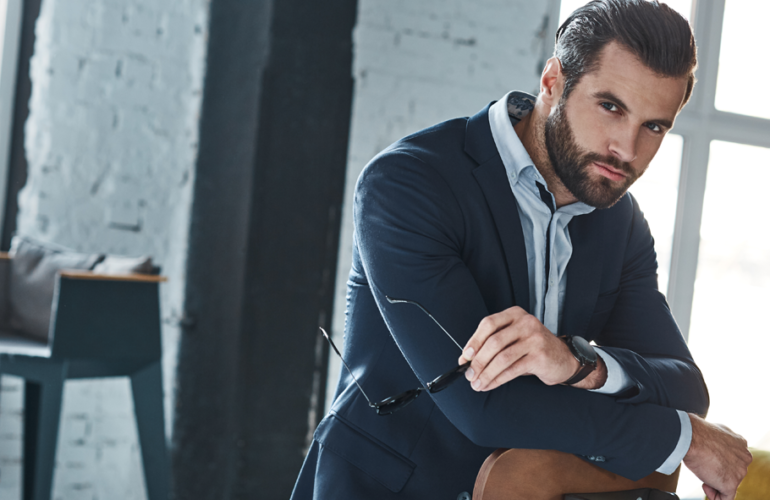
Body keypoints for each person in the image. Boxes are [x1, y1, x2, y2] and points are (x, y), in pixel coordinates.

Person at [291, 1, 752, 499]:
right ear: (553, 81)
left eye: (655, 126)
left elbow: (684, 386)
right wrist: (684, 439)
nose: (627, 148)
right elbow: (484, 407)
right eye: (610, 107)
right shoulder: (409, 185)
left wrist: (580, 365)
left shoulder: (620, 223)